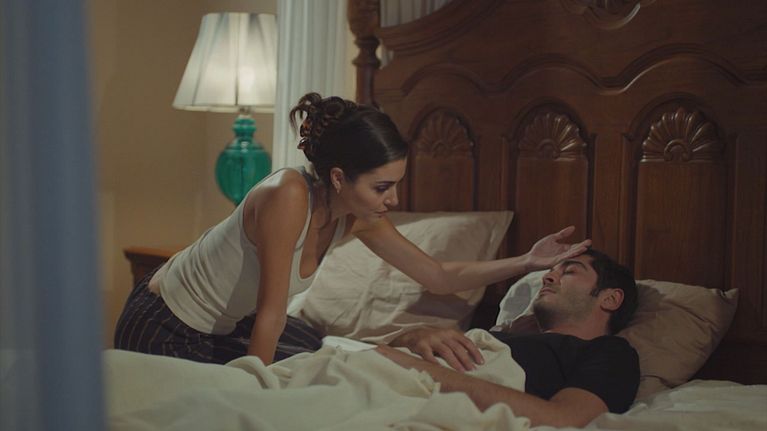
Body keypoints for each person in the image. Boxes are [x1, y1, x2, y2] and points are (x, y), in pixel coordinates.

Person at [114, 92, 591, 366]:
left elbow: (439, 275)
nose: (394, 200)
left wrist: (527, 261)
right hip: (165, 321)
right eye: (382, 187)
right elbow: (271, 315)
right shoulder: (288, 195)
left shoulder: (356, 216)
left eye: (396, 185)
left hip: (224, 327)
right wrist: (257, 395)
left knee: (325, 365)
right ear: (340, 178)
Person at [376, 248, 639, 428]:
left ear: (610, 298)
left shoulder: (611, 352)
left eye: (569, 271)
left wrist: (420, 369)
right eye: (552, 270)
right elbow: (392, 353)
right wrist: (413, 336)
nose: (548, 276)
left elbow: (565, 420)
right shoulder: (501, 336)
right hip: (382, 375)